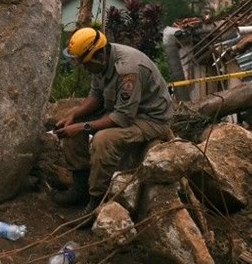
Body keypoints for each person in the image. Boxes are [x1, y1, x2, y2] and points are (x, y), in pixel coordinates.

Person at [52, 27, 174, 217]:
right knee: (71, 125)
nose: (84, 68)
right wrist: (74, 116)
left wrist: (83, 127)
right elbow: (97, 94)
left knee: (103, 140)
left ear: (99, 55)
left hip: (150, 118)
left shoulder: (128, 70)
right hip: (121, 108)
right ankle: (80, 187)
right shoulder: (101, 60)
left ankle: (96, 200)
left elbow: (123, 117)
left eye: (85, 63)